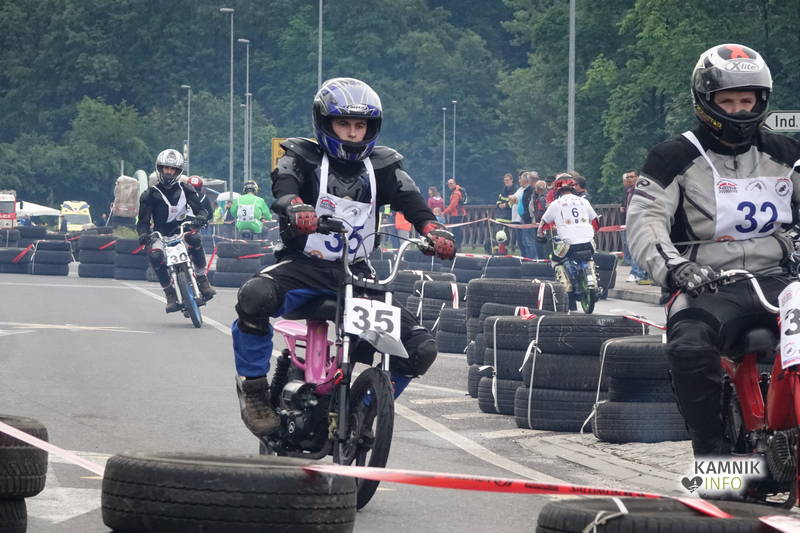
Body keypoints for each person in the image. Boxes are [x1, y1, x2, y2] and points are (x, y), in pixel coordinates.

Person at [231, 77, 456, 438]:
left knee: (420, 349)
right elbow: (284, 185)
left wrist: (433, 230)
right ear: (325, 123)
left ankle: (364, 410)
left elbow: (412, 201)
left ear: (371, 128)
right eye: (343, 124)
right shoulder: (300, 156)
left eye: (360, 125)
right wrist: (296, 206)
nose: (352, 133)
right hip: (303, 267)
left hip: (357, 275)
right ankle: (255, 391)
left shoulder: (384, 166)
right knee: (254, 297)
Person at [626, 44, 800, 459]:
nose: (739, 110)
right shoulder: (672, 157)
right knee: (688, 346)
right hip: (707, 283)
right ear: (706, 102)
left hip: (780, 279)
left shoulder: (787, 154)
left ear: (761, 101)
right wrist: (674, 267)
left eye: (747, 101)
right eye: (728, 101)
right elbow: (646, 220)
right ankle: (713, 455)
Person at [137, 149, 216, 312]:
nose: (169, 172)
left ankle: (202, 278)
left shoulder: (186, 189)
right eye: (166, 168)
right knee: (155, 255)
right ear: (159, 169)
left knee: (194, 238)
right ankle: (169, 293)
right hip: (160, 235)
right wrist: (143, 234)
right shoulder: (149, 195)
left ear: (178, 171)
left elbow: (201, 210)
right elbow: (143, 221)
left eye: (173, 169)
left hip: (182, 231)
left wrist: (201, 218)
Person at [536, 177, 599, 307]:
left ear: (557, 190)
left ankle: (566, 288)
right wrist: (593, 232)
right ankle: (594, 280)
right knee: (590, 258)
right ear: (573, 188)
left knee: (556, 260)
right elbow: (596, 221)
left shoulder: (555, 204)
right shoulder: (584, 201)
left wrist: (540, 236)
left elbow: (543, 224)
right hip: (589, 242)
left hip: (569, 243)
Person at [620, 170, 648, 283]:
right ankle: (640, 273)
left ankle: (636, 273)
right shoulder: (628, 192)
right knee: (632, 249)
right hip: (630, 224)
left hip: (640, 223)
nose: (629, 179)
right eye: (628, 177)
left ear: (638, 177)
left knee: (637, 249)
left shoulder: (641, 191)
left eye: (632, 177)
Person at [442, 177, 467, 247]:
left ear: (455, 183)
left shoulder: (456, 193)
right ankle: (457, 245)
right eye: (448, 184)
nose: (449, 185)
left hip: (458, 214)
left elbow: (452, 205)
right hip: (458, 214)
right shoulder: (456, 191)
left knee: (456, 231)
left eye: (451, 183)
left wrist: (444, 212)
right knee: (457, 230)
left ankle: (457, 245)